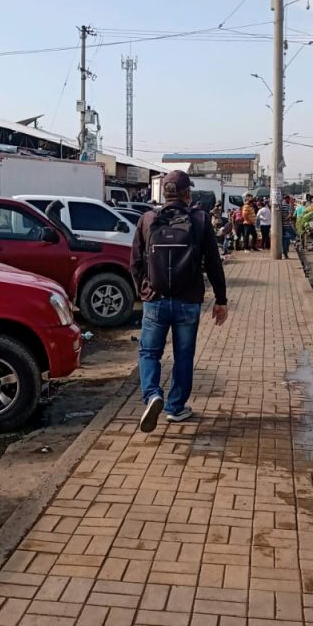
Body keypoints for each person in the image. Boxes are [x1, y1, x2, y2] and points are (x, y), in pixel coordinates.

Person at [131, 170, 228, 433]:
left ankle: (152, 395)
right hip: (188, 301)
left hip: (155, 300)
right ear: (187, 193)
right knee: (183, 355)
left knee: (150, 352)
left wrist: (144, 291)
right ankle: (175, 408)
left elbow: (136, 262)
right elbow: (213, 262)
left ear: (165, 192)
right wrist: (221, 299)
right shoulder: (199, 219)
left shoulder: (148, 219)